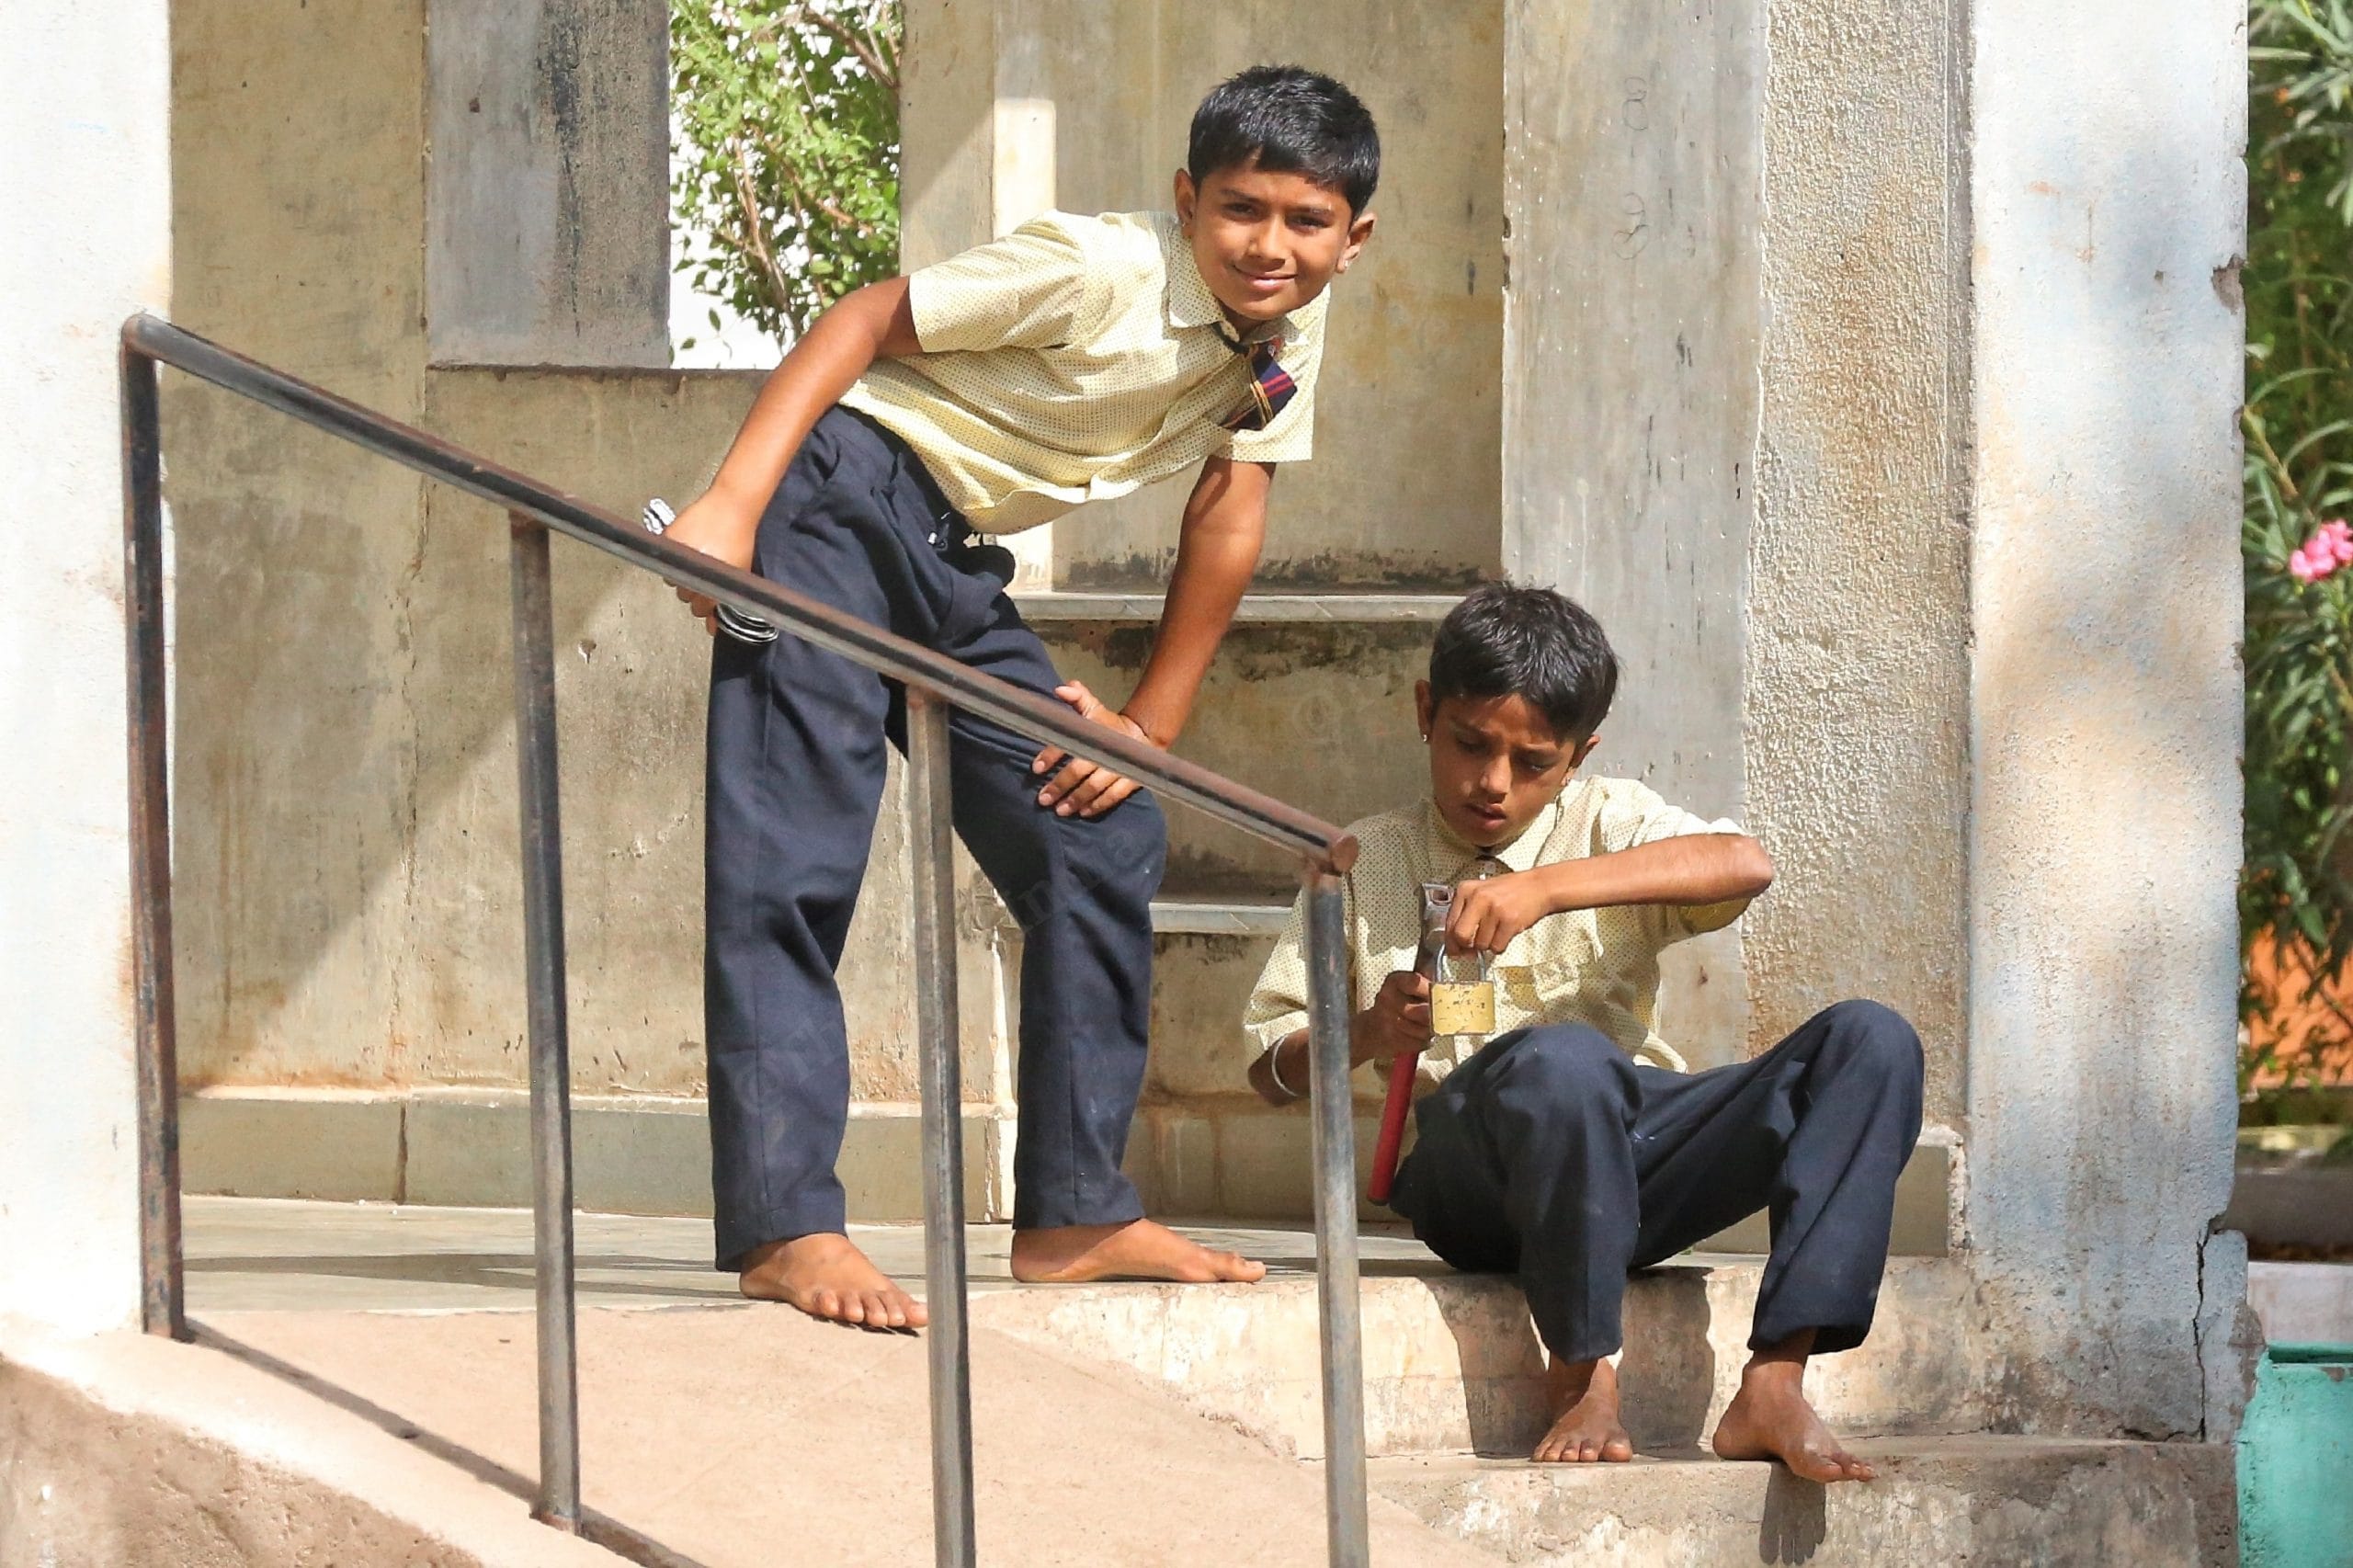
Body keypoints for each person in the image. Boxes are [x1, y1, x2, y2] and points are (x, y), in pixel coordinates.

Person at [658, 64, 1381, 1330]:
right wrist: (732, 501)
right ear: (1186, 201)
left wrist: (1149, 726)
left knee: (1099, 823)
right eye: (1240, 210)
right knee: (797, 851)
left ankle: (1074, 1208)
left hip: (947, 558)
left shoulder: (1286, 328)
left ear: (1351, 237)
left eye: (1305, 221)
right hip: (838, 501)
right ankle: (786, 1223)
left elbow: (1232, 500)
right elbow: (864, 320)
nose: (1269, 245)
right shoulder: (1099, 268)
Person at [1242, 584, 1924, 1480]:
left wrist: (1545, 888)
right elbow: (1268, 1067)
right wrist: (1369, 1029)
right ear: (1424, 713)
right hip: (1472, 1174)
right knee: (1562, 1058)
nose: (1493, 782)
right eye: (1470, 744)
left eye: (1532, 761)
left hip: (1629, 1161)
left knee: (1871, 1041)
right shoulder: (1369, 855)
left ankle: (1776, 1376)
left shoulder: (1609, 821)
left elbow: (1744, 861)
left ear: (1577, 756)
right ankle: (1582, 1371)